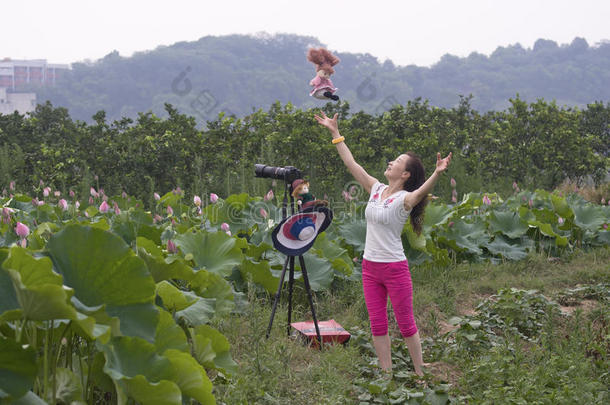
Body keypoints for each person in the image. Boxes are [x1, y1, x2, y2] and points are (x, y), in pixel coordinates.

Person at [314, 111, 452, 376]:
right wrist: (335, 133)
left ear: (405, 174)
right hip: (370, 268)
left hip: (394, 268)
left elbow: (420, 192)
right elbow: (351, 164)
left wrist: (437, 173)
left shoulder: (405, 199)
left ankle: (421, 374)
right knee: (377, 324)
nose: (391, 162)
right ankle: (387, 376)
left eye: (397, 162)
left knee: (406, 324)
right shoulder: (376, 188)